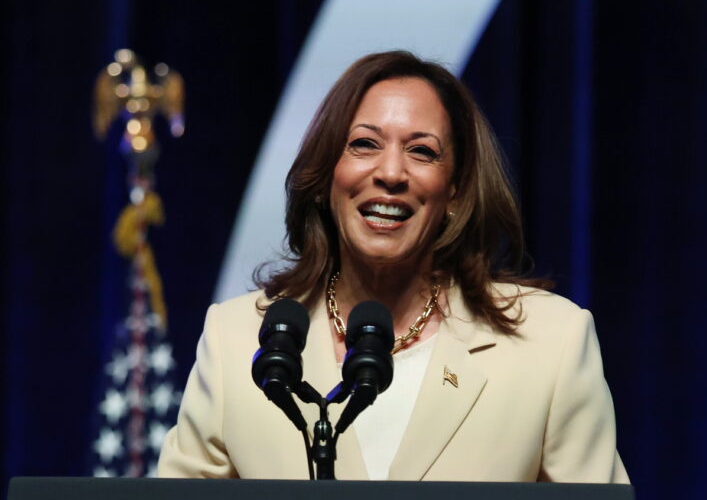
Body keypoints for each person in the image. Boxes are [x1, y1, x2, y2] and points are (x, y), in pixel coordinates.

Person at [158, 51, 629, 483]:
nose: (390, 173)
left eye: (421, 151)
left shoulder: (551, 343)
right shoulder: (236, 339)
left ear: (456, 191)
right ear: (325, 178)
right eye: (364, 144)